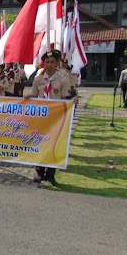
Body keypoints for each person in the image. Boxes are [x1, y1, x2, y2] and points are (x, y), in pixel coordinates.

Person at [26, 50, 79, 186]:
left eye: (52, 62)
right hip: (41, 116)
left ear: (57, 63)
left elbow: (63, 99)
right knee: (40, 143)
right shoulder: (38, 79)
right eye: (47, 62)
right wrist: (27, 97)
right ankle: (39, 172)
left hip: (55, 117)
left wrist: (72, 101)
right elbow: (33, 94)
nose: (49, 64)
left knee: (54, 144)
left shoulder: (63, 79)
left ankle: (51, 173)